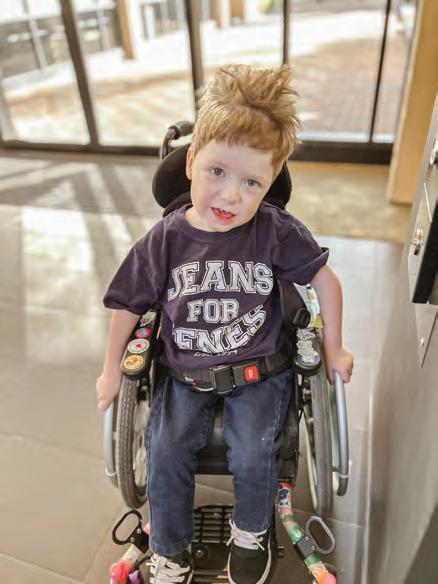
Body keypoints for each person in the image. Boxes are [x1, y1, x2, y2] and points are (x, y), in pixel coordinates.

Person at [96, 64, 353, 584]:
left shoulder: (274, 230)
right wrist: (109, 369)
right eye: (217, 172)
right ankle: (169, 552)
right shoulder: (164, 240)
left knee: (256, 451)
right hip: (183, 372)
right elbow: (127, 305)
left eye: (251, 182)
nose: (231, 195)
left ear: (269, 184)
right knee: (164, 450)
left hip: (259, 371)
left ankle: (250, 534)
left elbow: (326, 282)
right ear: (190, 162)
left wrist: (335, 346)